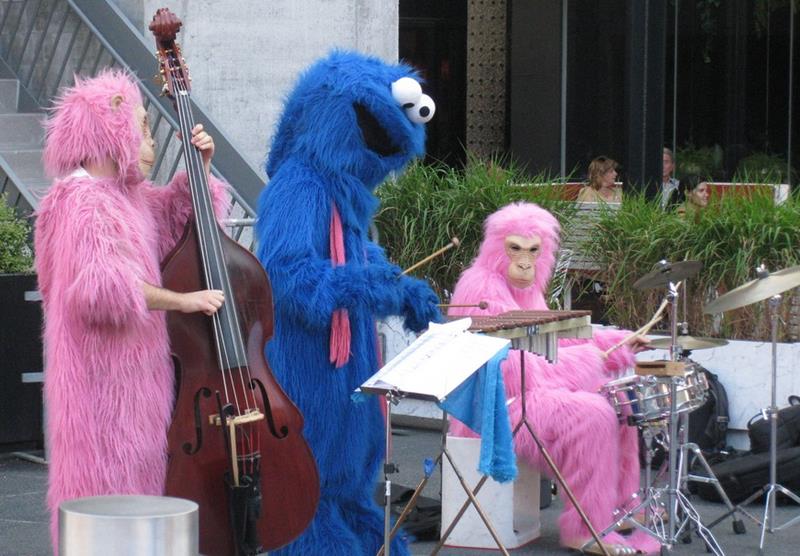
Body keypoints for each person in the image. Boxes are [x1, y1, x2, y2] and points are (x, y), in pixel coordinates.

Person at [34, 70, 229, 550]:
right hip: (102, 390)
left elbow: (175, 223)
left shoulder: (125, 198)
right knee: (107, 500)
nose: (151, 141)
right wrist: (182, 301)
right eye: (141, 127)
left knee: (135, 501)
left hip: (136, 386)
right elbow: (104, 289)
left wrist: (201, 169)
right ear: (110, 129)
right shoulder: (80, 201)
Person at [255, 51, 441, 556]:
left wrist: (401, 288)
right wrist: (369, 287)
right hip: (310, 365)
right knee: (311, 481)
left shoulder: (344, 194)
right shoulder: (299, 186)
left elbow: (357, 257)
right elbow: (287, 275)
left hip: (348, 364)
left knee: (352, 478)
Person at [448, 202, 659, 556]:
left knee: (618, 400)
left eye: (533, 251)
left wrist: (619, 343)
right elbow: (509, 370)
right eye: (515, 249)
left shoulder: (528, 290)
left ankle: (619, 508)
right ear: (497, 247)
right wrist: (589, 360)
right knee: (592, 414)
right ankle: (584, 528)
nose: (524, 262)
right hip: (493, 405)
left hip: (530, 392)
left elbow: (555, 337)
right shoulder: (481, 287)